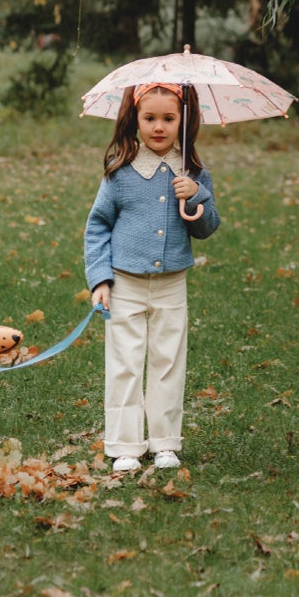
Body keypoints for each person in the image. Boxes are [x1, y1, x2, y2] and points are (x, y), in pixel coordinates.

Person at [83, 83, 220, 472]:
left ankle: (164, 442)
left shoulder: (193, 173)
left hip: (171, 283)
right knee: (125, 362)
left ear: (183, 121)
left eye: (169, 118)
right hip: (124, 281)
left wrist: (196, 195)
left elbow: (207, 228)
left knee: (167, 361)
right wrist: (100, 279)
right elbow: (97, 227)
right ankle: (125, 444)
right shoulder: (120, 173)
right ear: (136, 120)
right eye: (150, 118)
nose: (159, 127)